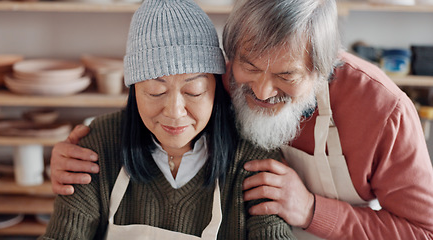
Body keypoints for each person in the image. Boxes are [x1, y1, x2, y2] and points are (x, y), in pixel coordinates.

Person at [49, 0, 433, 239]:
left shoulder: (385, 112)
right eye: (248, 67)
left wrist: (313, 211)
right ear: (226, 59)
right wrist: (73, 155)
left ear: (323, 67)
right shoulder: (221, 82)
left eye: (286, 76)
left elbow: (424, 232)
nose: (263, 92)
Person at [41, 0, 295, 239]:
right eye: (156, 91)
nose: (175, 112)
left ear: (216, 88)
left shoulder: (252, 157)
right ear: (134, 92)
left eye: (193, 92)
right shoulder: (97, 146)